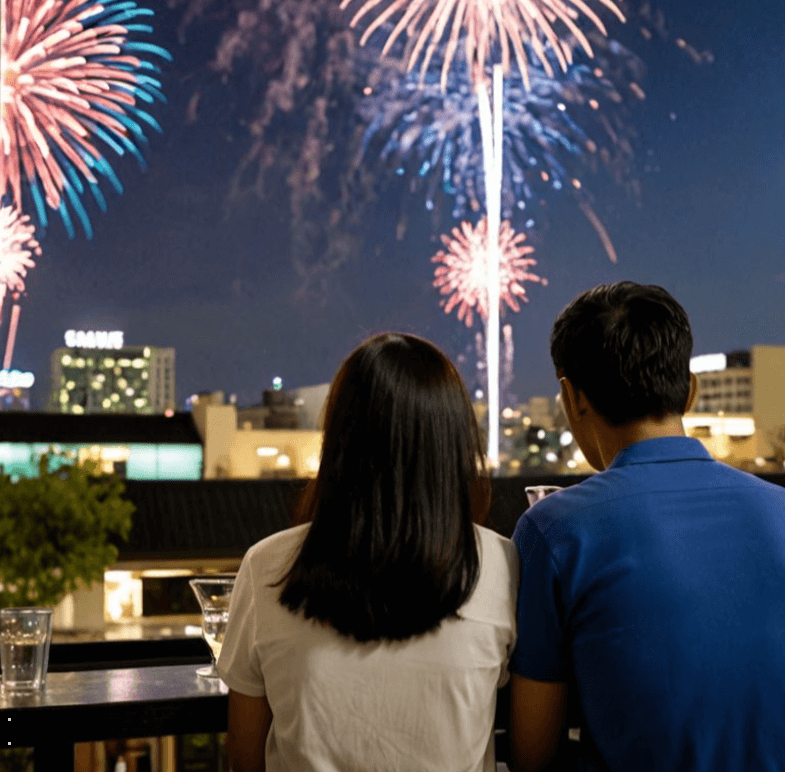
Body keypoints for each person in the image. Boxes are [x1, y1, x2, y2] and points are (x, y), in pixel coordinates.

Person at [508, 281, 785, 772]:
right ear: (692, 392)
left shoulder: (554, 531)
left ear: (572, 398)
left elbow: (533, 755)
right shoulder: (779, 509)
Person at [218, 332, 518, 772]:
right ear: (452, 443)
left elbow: (244, 758)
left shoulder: (268, 566)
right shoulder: (502, 565)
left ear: (339, 439)